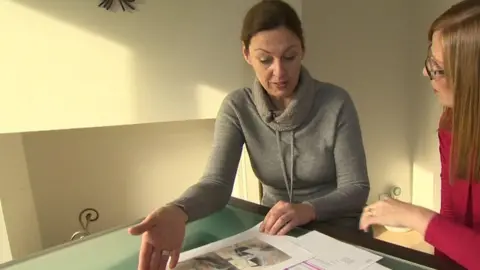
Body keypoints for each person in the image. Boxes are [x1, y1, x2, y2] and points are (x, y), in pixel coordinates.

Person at [129, 1, 370, 269]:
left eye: (289, 57)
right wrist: (179, 210)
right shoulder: (237, 106)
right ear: (246, 54)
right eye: (265, 59)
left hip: (337, 231)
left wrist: (306, 209)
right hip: (276, 233)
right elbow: (216, 184)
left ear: (303, 50)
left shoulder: (336, 102)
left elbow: (356, 188)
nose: (279, 71)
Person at [359, 1, 480, 269]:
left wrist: (417, 218)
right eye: (430, 60)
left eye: (438, 67)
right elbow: (452, 215)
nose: (425, 72)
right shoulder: (451, 122)